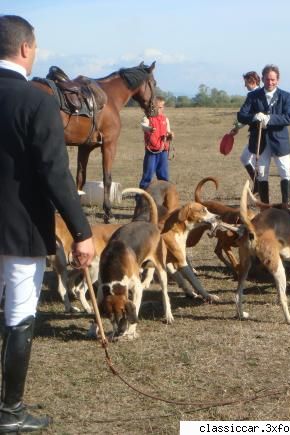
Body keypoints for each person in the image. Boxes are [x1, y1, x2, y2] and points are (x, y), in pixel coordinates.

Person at [0, 15, 95, 432]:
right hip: (20, 228)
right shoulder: (37, 101)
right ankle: (10, 412)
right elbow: (56, 172)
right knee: (19, 316)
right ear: (25, 48)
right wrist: (82, 232)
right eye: (35, 46)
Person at [237, 64, 290, 204]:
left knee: (285, 173)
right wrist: (254, 117)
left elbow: (289, 117)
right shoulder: (253, 96)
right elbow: (241, 115)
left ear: (278, 80)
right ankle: (265, 208)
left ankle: (286, 207)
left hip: (280, 142)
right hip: (260, 142)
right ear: (262, 79)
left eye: (273, 79)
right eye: (267, 79)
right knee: (262, 174)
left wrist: (270, 119)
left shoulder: (286, 96)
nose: (270, 82)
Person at [229, 71, 260, 190]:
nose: (245, 85)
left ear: (252, 81)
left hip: (258, 135)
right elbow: (249, 117)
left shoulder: (254, 95)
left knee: (249, 159)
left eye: (246, 82)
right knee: (248, 159)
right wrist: (237, 127)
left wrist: (237, 127)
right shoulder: (256, 94)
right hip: (255, 134)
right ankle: (257, 185)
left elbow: (248, 116)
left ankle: (258, 186)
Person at [139, 96, 174, 189]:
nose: (162, 109)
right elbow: (143, 126)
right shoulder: (147, 118)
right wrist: (149, 129)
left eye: (162, 107)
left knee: (163, 176)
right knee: (147, 176)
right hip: (151, 152)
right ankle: (141, 198)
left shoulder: (165, 119)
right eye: (159, 107)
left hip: (163, 152)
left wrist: (170, 136)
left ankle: (165, 197)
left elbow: (168, 132)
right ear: (153, 107)